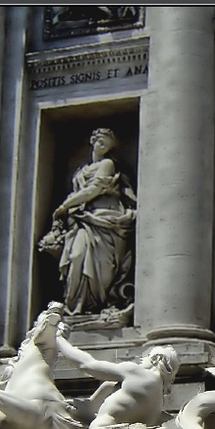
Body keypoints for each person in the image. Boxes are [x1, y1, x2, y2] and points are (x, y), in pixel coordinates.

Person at [39, 128, 137, 314]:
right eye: (100, 142)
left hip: (104, 219)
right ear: (93, 142)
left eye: (106, 145)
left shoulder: (107, 164)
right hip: (82, 222)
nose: (102, 147)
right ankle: (75, 306)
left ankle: (94, 305)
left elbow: (92, 190)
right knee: (76, 256)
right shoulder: (81, 170)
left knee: (100, 264)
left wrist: (65, 206)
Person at [55, 331, 180, 429]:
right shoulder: (158, 401)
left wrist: (59, 339)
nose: (141, 359)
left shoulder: (137, 372)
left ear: (156, 359)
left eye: (146, 356)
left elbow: (86, 364)